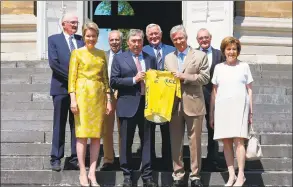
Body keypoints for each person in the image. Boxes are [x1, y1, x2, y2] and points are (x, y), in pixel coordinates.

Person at [110, 29, 157, 187]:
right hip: (127, 105)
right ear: (128, 43)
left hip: (147, 106)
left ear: (143, 42)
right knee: (126, 143)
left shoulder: (150, 58)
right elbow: (114, 81)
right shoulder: (119, 58)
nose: (137, 44)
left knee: (147, 142)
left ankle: (148, 176)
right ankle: (127, 175)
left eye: (139, 41)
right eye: (133, 41)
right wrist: (133, 80)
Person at [68, 21, 112, 187]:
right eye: (88, 36)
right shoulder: (77, 53)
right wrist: (73, 99)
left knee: (95, 136)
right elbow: (72, 79)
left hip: (98, 96)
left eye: (93, 36)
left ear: (97, 37)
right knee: (81, 135)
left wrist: (108, 100)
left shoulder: (101, 54)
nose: (91, 38)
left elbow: (106, 79)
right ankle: (82, 173)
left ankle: (93, 173)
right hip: (82, 96)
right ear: (83, 36)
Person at [164, 25, 209, 187]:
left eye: (180, 38)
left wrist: (185, 76)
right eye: (175, 39)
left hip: (194, 103)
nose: (178, 41)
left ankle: (195, 175)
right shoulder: (168, 58)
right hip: (174, 106)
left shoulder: (200, 55)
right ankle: (178, 174)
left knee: (195, 142)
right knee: (175, 141)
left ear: (186, 37)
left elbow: (205, 78)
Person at [209, 36, 253, 187]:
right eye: (228, 49)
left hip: (240, 107)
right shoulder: (218, 68)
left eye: (234, 49)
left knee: (239, 141)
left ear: (238, 51)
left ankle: (241, 175)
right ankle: (231, 175)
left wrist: (251, 112)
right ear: (224, 51)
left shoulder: (244, 66)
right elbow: (214, 92)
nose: (231, 52)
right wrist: (211, 113)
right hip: (222, 108)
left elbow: (250, 91)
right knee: (226, 142)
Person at [48, 12, 84, 172]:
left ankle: (75, 158)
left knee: (77, 126)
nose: (75, 25)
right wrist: (72, 78)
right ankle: (56, 158)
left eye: (76, 23)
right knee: (59, 124)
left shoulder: (81, 41)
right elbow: (54, 64)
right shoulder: (53, 40)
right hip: (61, 89)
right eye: (72, 22)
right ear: (63, 24)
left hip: (79, 92)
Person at [143, 23, 175, 170]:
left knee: (167, 131)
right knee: (148, 132)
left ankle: (167, 162)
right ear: (147, 37)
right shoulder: (143, 50)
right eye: (151, 35)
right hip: (149, 98)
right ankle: (151, 162)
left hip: (167, 97)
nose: (154, 37)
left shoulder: (171, 50)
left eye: (156, 34)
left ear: (161, 35)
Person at [196, 28, 225, 172]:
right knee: (194, 130)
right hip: (195, 97)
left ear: (211, 38)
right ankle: (195, 162)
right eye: (201, 38)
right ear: (197, 40)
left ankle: (212, 159)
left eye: (206, 37)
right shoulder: (191, 54)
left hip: (213, 97)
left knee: (213, 129)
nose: (204, 40)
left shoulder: (219, 55)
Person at [100, 30, 124, 171]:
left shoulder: (127, 56)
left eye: (117, 40)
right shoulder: (104, 56)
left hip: (122, 95)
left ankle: (123, 160)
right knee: (107, 130)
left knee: (122, 129)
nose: (114, 42)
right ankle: (108, 159)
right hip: (107, 95)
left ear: (121, 41)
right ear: (108, 41)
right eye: (112, 40)